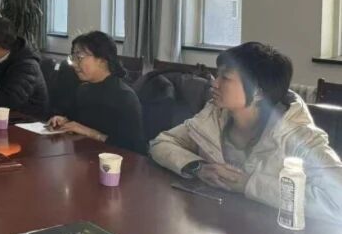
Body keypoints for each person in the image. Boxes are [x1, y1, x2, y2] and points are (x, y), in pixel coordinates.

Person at [150, 42, 342, 222]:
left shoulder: (297, 136)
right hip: (218, 224)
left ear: (258, 92)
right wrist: (198, 167)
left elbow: (337, 201)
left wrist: (249, 184)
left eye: (225, 78)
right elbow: (161, 143)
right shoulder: (214, 116)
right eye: (217, 75)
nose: (214, 83)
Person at [46, 31, 146, 154]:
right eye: (73, 58)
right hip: (85, 156)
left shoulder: (125, 97)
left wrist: (92, 133)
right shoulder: (83, 90)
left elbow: (134, 148)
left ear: (102, 60)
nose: (74, 64)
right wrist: (64, 121)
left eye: (79, 58)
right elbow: (77, 122)